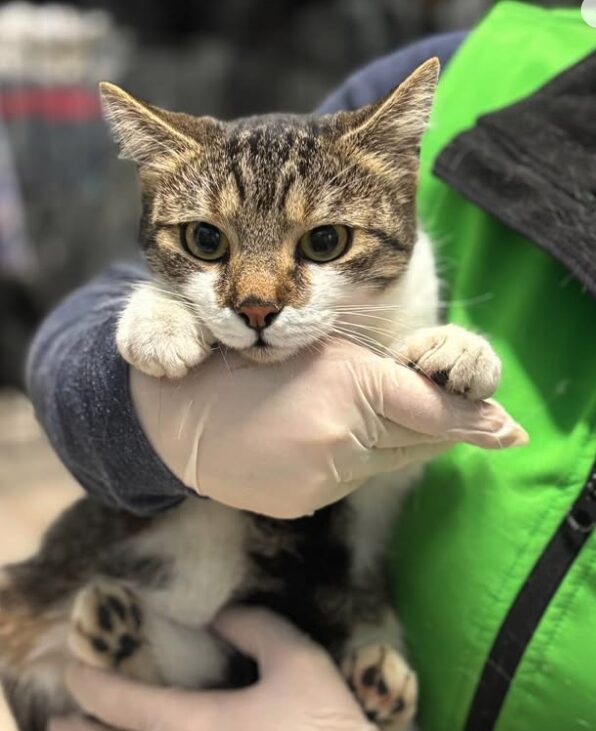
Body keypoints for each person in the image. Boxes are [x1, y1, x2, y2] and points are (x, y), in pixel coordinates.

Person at [33, 2, 596, 730]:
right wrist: (141, 411)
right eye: (209, 240)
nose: (259, 299)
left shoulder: (410, 286)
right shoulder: (477, 66)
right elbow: (71, 331)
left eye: (322, 241)